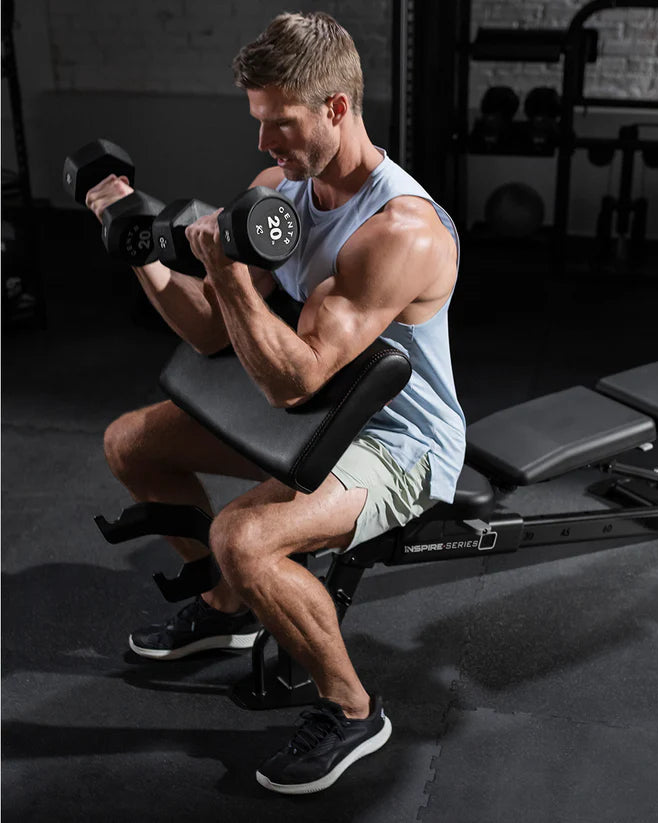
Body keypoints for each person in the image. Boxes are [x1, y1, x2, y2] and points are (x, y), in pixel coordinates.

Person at [86, 11, 464, 795]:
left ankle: (352, 708)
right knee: (131, 443)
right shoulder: (279, 189)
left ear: (336, 107)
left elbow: (293, 377)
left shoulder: (402, 231)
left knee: (244, 535)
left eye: (279, 123)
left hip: (399, 439)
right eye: (257, 121)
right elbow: (207, 328)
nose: (263, 144)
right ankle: (226, 606)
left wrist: (226, 273)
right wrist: (140, 247)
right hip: (317, 406)